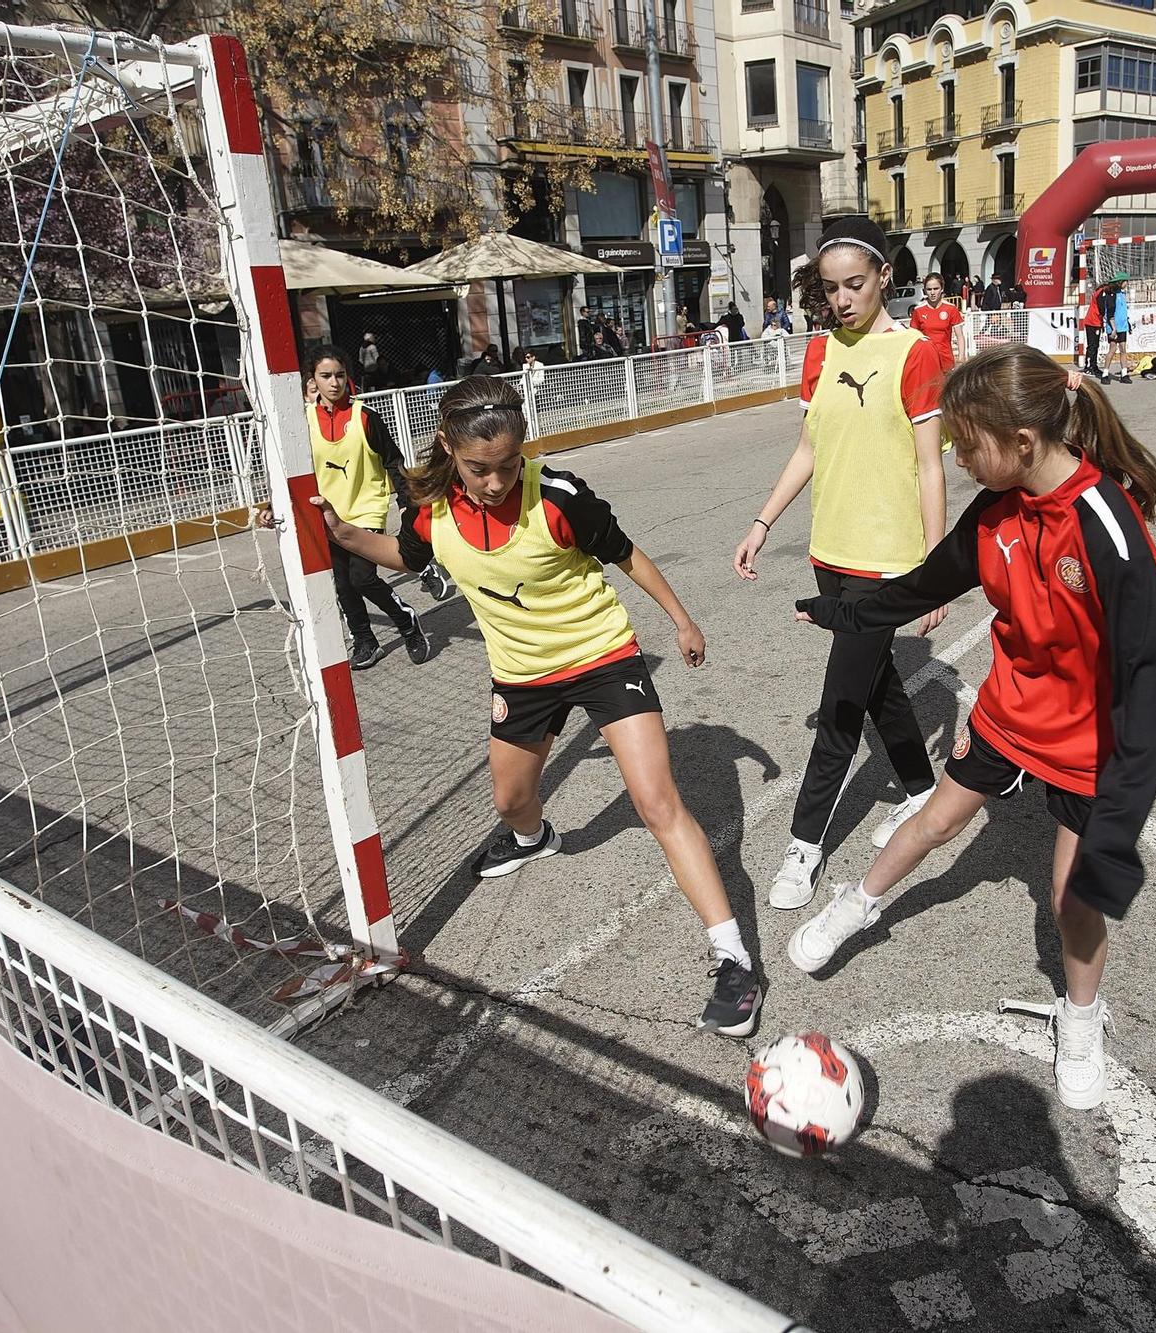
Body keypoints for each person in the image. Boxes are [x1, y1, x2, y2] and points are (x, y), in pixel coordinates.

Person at [782, 346, 1156, 1112]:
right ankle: (852, 906)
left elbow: (1153, 687)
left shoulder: (1107, 528)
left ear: (1022, 442)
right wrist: (841, 612)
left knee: (1073, 893)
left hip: (1088, 744)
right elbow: (923, 586)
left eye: (968, 442)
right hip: (1007, 712)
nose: (958, 458)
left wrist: (1118, 824)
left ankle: (1083, 1017)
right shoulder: (996, 511)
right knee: (934, 821)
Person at [315, 375, 765, 1035]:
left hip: (602, 656)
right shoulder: (430, 512)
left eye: (506, 465)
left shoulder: (557, 495)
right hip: (522, 678)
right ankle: (535, 839)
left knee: (656, 801)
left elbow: (627, 554)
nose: (496, 482)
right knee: (510, 802)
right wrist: (341, 534)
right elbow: (403, 554)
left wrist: (683, 619)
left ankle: (734, 958)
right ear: (448, 446)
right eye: (479, 469)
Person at [734, 214, 947, 912]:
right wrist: (763, 522)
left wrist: (936, 569)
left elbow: (928, 468)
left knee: (840, 708)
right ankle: (921, 790)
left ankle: (804, 843)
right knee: (878, 684)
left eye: (856, 284)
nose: (844, 299)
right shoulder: (820, 353)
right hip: (830, 554)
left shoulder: (914, 353)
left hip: (888, 563)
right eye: (832, 289)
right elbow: (808, 449)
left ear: (885, 275)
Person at [303, 344, 447, 670]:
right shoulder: (303, 422)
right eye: (325, 376)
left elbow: (394, 461)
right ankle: (365, 641)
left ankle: (406, 620)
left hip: (366, 508)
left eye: (339, 375)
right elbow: (292, 470)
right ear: (313, 379)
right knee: (343, 585)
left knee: (362, 578)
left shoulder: (364, 417)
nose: (334, 382)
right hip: (328, 512)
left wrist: (407, 503)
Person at [909, 271, 964, 372]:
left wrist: (961, 359)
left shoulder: (951, 309)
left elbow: (960, 336)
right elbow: (911, 338)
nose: (932, 292)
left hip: (946, 361)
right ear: (925, 290)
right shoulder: (918, 311)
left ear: (942, 289)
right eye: (929, 289)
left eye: (936, 288)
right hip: (926, 361)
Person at [1102, 279, 1133, 383]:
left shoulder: (1122, 294)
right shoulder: (1111, 295)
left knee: (1123, 349)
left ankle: (1124, 374)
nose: (1127, 284)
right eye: (1126, 281)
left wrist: (1127, 324)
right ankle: (1105, 374)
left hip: (1122, 327)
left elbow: (1122, 312)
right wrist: (1113, 329)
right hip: (1113, 327)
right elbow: (1110, 314)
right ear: (1120, 283)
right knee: (1112, 349)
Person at [1078, 283, 1106, 380]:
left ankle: (1093, 366)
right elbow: (1101, 308)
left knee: (1095, 345)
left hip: (1095, 322)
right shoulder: (1102, 293)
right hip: (1092, 322)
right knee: (1092, 345)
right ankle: (1088, 367)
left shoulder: (1099, 292)